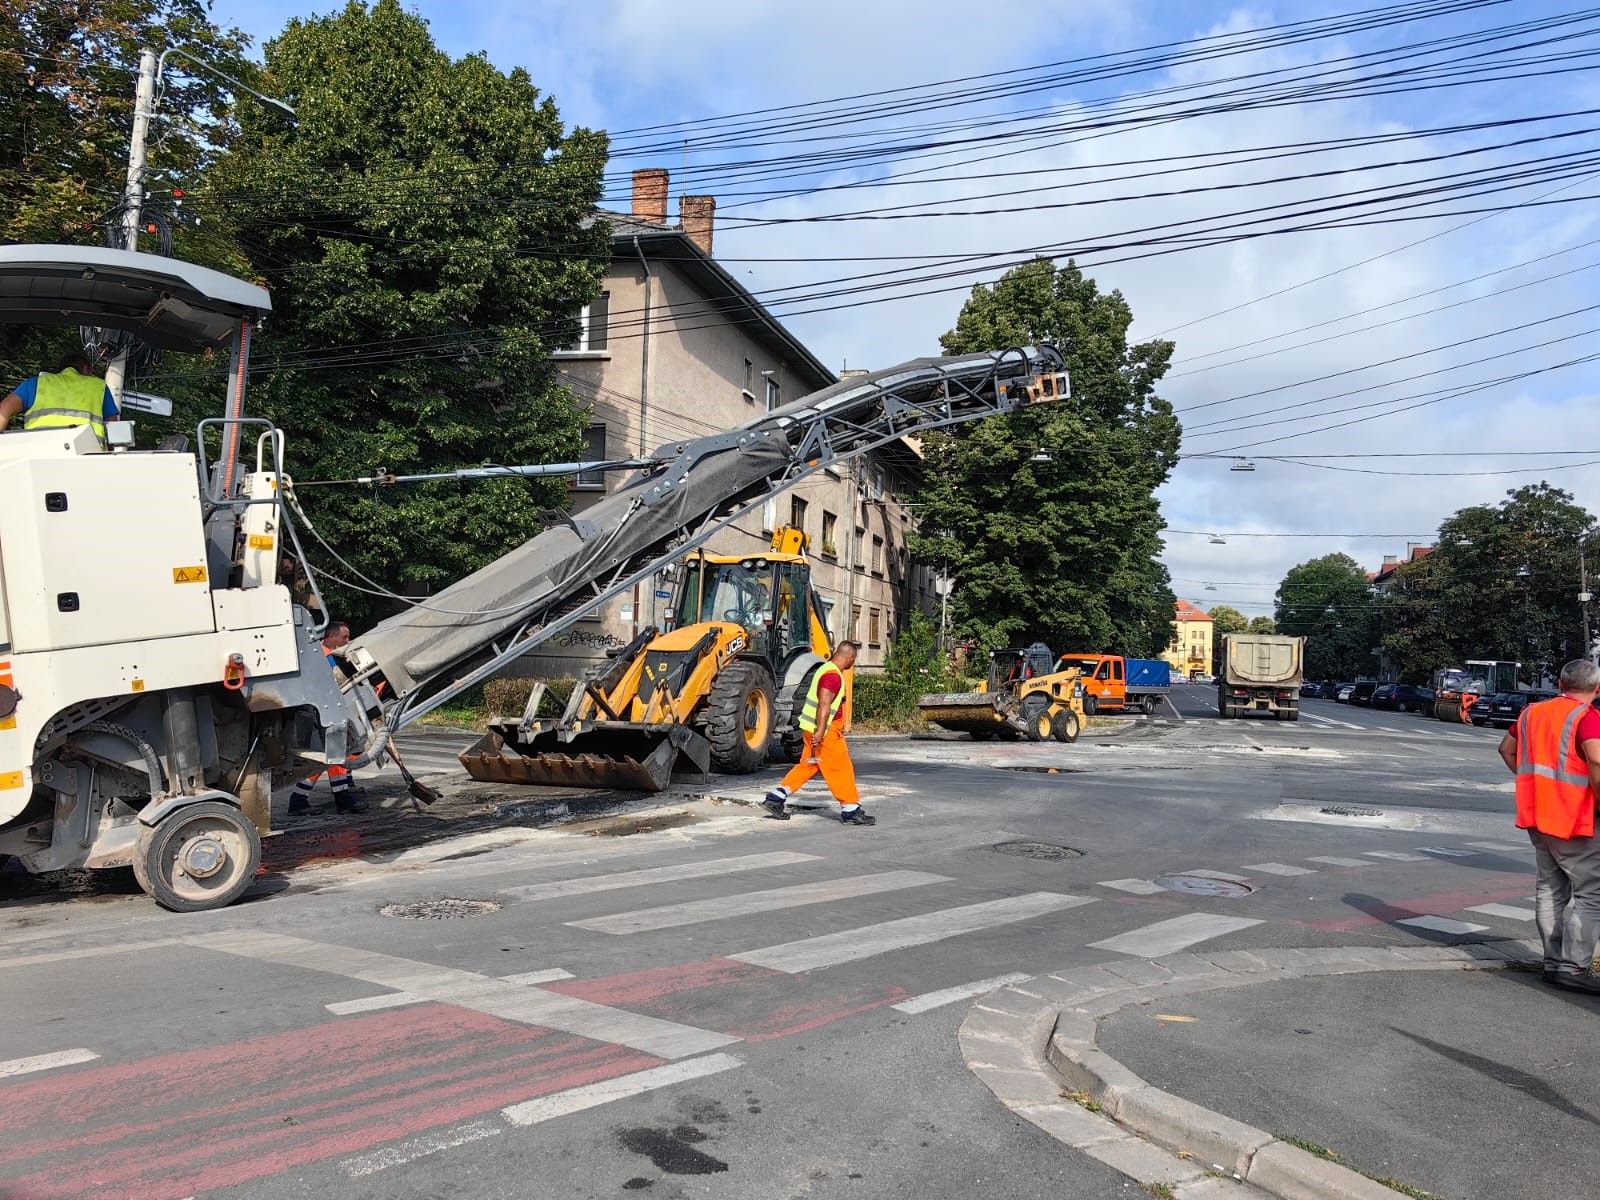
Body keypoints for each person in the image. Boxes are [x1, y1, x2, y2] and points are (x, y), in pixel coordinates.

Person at [1498, 659, 1600, 992]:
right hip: (1575, 819)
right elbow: (1596, 759)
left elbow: (1506, 749)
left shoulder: (1531, 713)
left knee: (1550, 890)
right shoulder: (1587, 717)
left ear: (1560, 684)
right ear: (1597, 689)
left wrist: (1535, 785)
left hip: (1538, 816)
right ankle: (1573, 968)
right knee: (1591, 895)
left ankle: (1553, 964)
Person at [764, 640, 876, 826]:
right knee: (842, 769)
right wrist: (821, 731)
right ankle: (851, 811)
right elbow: (824, 704)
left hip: (812, 729)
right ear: (850, 657)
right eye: (853, 660)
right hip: (826, 733)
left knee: (809, 765)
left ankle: (775, 798)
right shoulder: (833, 676)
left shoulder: (825, 669)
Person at [286, 620, 368, 816]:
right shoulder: (325, 657)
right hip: (324, 713)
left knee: (330, 757)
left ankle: (332, 797)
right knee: (331, 756)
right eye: (344, 637)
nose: (348, 640)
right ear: (331, 637)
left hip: (320, 712)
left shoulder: (316, 654)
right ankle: (306, 800)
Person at [0, 352, 120, 447]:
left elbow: (4, 408)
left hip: (37, 456)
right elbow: (113, 428)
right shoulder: (98, 386)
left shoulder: (35, 384)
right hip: (87, 459)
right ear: (85, 369)